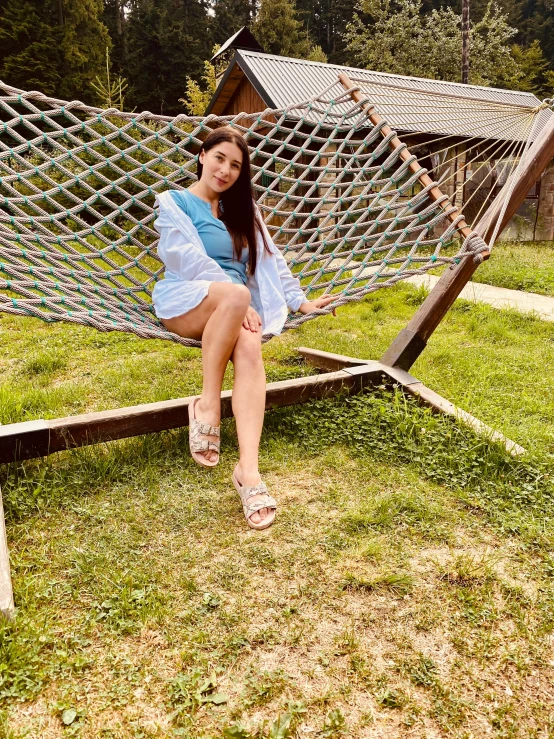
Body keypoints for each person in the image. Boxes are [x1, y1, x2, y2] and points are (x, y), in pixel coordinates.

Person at [152, 127, 336, 530]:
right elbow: (183, 259)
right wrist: (237, 295)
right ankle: (207, 405)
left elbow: (272, 259)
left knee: (251, 348)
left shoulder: (245, 211)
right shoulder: (175, 203)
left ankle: (248, 472)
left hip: (239, 309)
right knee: (235, 298)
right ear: (202, 155)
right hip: (189, 300)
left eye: (235, 165)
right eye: (219, 158)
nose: (225, 170)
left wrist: (299, 300)